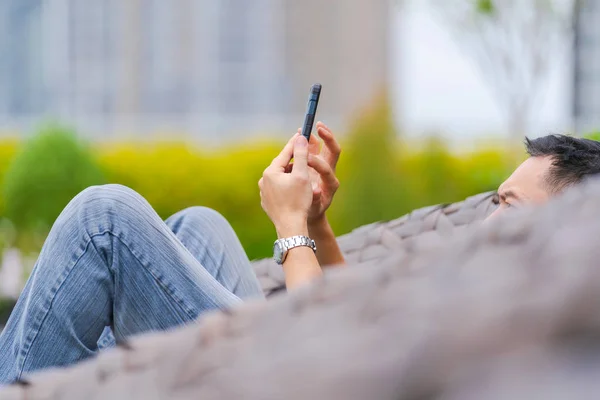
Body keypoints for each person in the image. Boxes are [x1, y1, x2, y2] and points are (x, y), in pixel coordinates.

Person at [0, 124, 599, 384]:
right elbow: (365, 317)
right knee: (201, 225)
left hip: (296, 373)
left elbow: (332, 352)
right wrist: (317, 224)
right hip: (315, 346)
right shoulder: (501, 287)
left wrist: (290, 231)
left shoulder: (528, 317)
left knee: (104, 223)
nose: (489, 219)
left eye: (511, 208)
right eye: (496, 200)